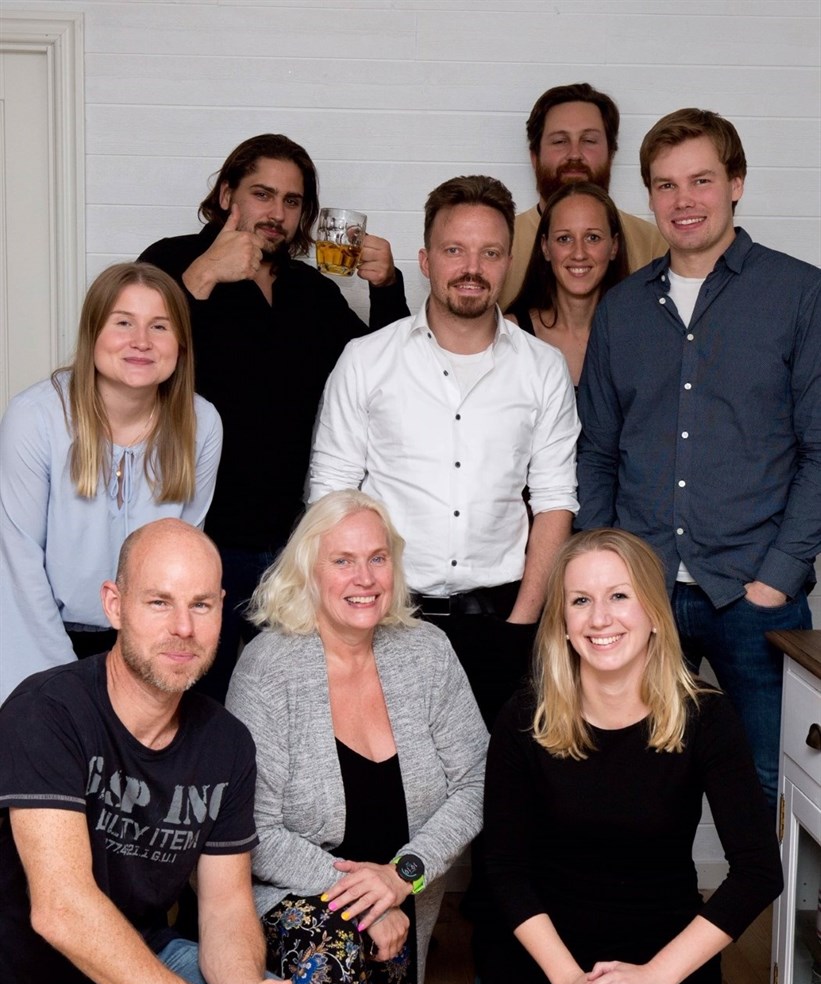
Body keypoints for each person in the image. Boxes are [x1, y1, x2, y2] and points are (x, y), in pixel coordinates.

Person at [576, 107, 821, 809]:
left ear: (736, 184)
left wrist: (776, 578)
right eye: (665, 185)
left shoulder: (799, 295)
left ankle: (755, 895)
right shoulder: (621, 309)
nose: (683, 201)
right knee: (640, 786)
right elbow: (596, 452)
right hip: (641, 594)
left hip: (754, 596)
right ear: (650, 196)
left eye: (701, 181)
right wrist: (606, 571)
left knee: (767, 782)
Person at [139, 133, 409, 702]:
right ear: (226, 194)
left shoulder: (311, 291)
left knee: (293, 700)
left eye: (292, 201)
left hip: (292, 541)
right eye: (262, 194)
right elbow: (137, 357)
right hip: (200, 533)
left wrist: (387, 288)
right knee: (190, 700)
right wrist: (203, 275)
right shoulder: (170, 260)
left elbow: (381, 374)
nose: (277, 213)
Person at [309, 175, 580, 727]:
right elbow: (330, 497)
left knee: (498, 776)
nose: (471, 267)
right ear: (426, 260)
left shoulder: (543, 368)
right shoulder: (366, 360)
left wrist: (523, 626)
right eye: (454, 250)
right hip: (386, 619)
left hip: (502, 621)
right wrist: (351, 616)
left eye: (490, 252)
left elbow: (555, 501)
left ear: (509, 262)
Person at [0, 518, 303, 984]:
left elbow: (225, 908)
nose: (183, 628)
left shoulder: (227, 743)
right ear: (114, 605)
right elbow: (61, 909)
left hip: (149, 955)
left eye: (200, 605)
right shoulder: (46, 712)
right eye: (159, 602)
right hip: (32, 982)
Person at [483, 528, 783, 984]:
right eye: (581, 600)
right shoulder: (523, 717)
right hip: (548, 954)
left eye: (619, 596)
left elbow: (758, 873)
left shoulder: (707, 716)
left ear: (655, 614)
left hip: (665, 955)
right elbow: (504, 868)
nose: (600, 618)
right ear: (562, 623)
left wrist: (652, 980)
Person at [225, 490, 487, 984]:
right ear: (309, 572)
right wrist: (367, 898)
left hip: (404, 903)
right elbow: (254, 830)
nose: (364, 578)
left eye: (377, 558)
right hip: (297, 900)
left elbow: (477, 779)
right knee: (337, 955)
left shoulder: (428, 654)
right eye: (342, 561)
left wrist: (402, 876)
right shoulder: (267, 669)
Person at [0, 262, 222, 700]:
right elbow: (18, 566)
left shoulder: (201, 423)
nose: (141, 341)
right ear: (93, 333)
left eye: (159, 326)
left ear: (180, 343)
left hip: (147, 642)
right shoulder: (35, 418)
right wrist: (63, 687)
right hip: (45, 637)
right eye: (123, 322)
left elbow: (183, 554)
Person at [501, 82, 667, 309]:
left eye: (589, 140)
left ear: (611, 154)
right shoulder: (501, 241)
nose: (575, 154)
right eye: (560, 141)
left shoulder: (654, 244)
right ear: (535, 157)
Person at [505, 181, 628, 386]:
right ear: (545, 247)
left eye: (592, 237)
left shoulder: (640, 336)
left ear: (614, 246)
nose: (579, 253)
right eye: (564, 239)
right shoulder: (511, 334)